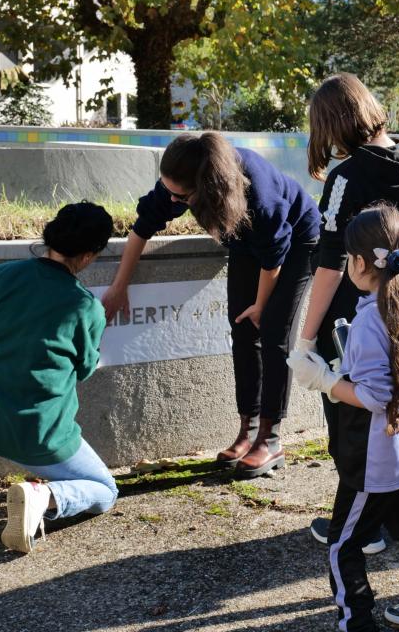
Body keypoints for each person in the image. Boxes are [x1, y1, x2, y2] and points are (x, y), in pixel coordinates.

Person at [100, 132, 320, 478]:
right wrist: (118, 287)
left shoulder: (257, 195)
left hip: (297, 240)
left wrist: (261, 305)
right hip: (248, 243)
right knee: (242, 328)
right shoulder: (179, 182)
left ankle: (270, 437)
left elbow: (274, 255)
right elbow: (141, 229)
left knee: (274, 332)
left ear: (206, 187)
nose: (171, 200)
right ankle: (247, 429)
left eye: (179, 196)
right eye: (167, 189)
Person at [287, 205, 399, 632]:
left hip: (372, 462)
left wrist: (323, 380)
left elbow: (374, 396)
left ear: (359, 264)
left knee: (343, 547)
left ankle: (356, 623)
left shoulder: (366, 324)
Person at [296, 73, 399, 550]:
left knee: (350, 416)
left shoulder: (347, 176)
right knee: (396, 406)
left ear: (333, 123)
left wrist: (304, 340)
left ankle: (360, 525)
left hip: (351, 318)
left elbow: (329, 264)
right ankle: (391, 510)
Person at [0, 202, 118, 553]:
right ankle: (44, 496)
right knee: (105, 490)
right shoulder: (86, 307)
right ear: (88, 256)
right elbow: (84, 370)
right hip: (38, 438)